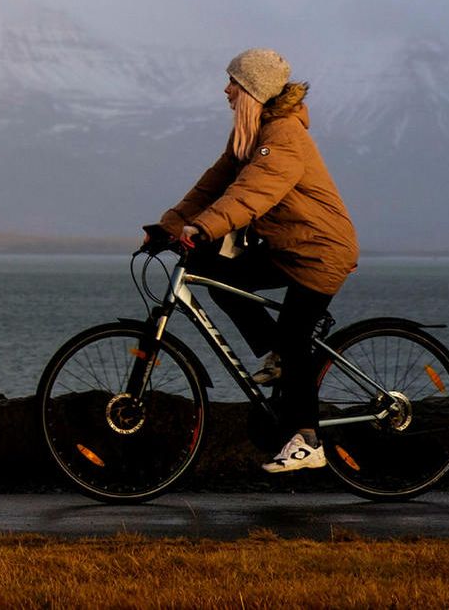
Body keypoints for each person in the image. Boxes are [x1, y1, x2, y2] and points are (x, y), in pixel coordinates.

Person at [151, 48, 358, 473]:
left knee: (297, 337)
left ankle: (309, 441)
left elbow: (251, 195)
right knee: (209, 267)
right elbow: (213, 185)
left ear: (253, 90)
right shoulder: (251, 135)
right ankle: (277, 354)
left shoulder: (284, 137)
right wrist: (171, 225)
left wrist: (203, 228)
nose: (225, 90)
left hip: (319, 252)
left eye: (233, 83)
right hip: (285, 247)